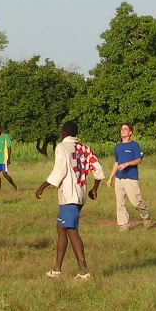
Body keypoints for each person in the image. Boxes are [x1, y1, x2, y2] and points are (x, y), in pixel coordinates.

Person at [35, 120, 104, 281]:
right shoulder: (85, 148)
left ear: (64, 133)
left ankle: (83, 271)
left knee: (72, 230)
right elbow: (99, 170)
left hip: (68, 196)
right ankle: (57, 269)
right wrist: (94, 189)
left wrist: (42, 186)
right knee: (61, 228)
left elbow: (60, 171)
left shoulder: (62, 147)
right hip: (80, 195)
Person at [106, 123, 152, 231]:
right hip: (119, 178)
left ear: (130, 132)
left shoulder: (134, 145)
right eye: (121, 129)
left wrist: (127, 164)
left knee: (136, 202)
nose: (123, 131)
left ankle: (146, 216)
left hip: (131, 178)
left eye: (125, 129)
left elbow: (139, 160)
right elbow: (116, 162)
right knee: (120, 203)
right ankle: (124, 225)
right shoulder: (118, 147)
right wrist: (110, 178)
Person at [0, 125, 17, 191]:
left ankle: (14, 185)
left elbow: (9, 147)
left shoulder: (5, 136)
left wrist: (8, 158)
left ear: (1, 130)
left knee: (5, 174)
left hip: (3, 159)